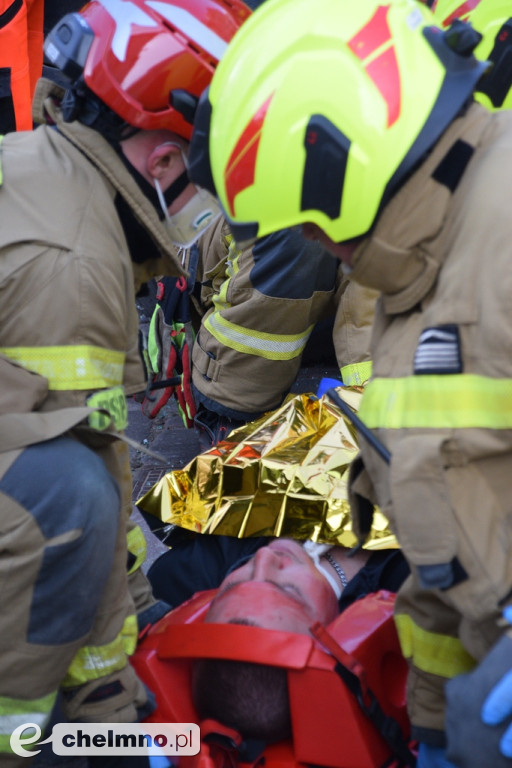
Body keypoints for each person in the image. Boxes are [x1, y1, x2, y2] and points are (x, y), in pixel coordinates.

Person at [185, 0, 512, 765]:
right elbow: (445, 538)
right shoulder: (421, 267)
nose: (310, 245)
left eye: (301, 221)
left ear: (347, 167)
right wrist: (430, 727)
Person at [0, 0, 251, 764]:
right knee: (66, 491)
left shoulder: (42, 174)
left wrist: (142, 612)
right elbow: (71, 494)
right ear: (168, 163)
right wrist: (108, 701)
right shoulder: (74, 262)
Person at [144, 535, 411, 764]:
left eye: (234, 586)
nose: (264, 557)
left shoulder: (192, 572)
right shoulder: (411, 588)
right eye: (288, 589)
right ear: (336, 633)